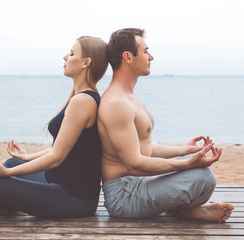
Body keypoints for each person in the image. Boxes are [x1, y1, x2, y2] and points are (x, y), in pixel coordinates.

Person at [0, 36, 108, 218]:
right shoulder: (81, 97)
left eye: (71, 53)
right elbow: (61, 147)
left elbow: (57, 157)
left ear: (86, 62)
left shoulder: (83, 101)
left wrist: (8, 173)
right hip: (55, 182)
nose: (65, 57)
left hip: (72, 198)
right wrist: (28, 157)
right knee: (14, 162)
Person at [97, 28, 234, 221]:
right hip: (124, 196)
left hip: (139, 184)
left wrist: (183, 150)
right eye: (145, 52)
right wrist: (186, 164)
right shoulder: (116, 103)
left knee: (193, 158)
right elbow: (135, 164)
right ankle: (184, 211)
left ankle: (183, 211)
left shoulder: (127, 96)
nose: (151, 57)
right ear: (128, 57)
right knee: (203, 178)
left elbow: (143, 148)